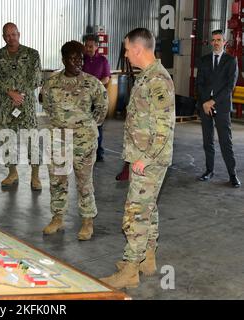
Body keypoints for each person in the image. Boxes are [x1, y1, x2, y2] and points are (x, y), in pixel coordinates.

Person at [100, 28, 175, 289]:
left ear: (138, 49)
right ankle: (147, 259)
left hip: (149, 160)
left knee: (136, 212)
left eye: (127, 49)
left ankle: (130, 269)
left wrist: (146, 157)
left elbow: (164, 126)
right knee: (149, 208)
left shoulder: (157, 80)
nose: (125, 54)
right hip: (144, 156)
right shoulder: (147, 76)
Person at [41, 41, 108, 241]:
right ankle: (57, 217)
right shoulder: (51, 84)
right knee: (58, 180)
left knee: (84, 181)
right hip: (59, 140)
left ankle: (87, 221)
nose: (78, 62)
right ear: (63, 60)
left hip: (84, 142)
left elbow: (102, 109)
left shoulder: (92, 83)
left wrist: (87, 127)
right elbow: (48, 108)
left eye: (80, 58)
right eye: (73, 58)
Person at [0, 22, 43, 191]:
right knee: (8, 138)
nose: (11, 38)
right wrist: (11, 93)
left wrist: (21, 95)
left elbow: (36, 78)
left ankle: (35, 175)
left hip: (26, 105)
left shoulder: (32, 54)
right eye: (7, 35)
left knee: (32, 139)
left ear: (19, 34)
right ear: (3, 37)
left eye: (14, 34)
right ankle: (12, 173)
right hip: (7, 105)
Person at [196, 30, 240, 188]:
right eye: (213, 40)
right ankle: (209, 171)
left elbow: (230, 87)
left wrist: (212, 101)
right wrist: (204, 102)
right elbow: (199, 84)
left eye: (219, 40)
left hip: (221, 107)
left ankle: (232, 174)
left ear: (224, 42)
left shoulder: (231, 61)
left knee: (225, 142)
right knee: (208, 141)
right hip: (205, 106)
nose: (216, 42)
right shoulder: (204, 60)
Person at [82, 34, 111, 163]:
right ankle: (84, 151)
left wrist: (95, 86)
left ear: (96, 46)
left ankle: (98, 152)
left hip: (98, 99)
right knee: (83, 125)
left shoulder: (103, 61)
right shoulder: (81, 60)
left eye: (90, 46)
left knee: (97, 126)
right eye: (86, 46)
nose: (88, 48)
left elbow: (106, 78)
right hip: (83, 99)